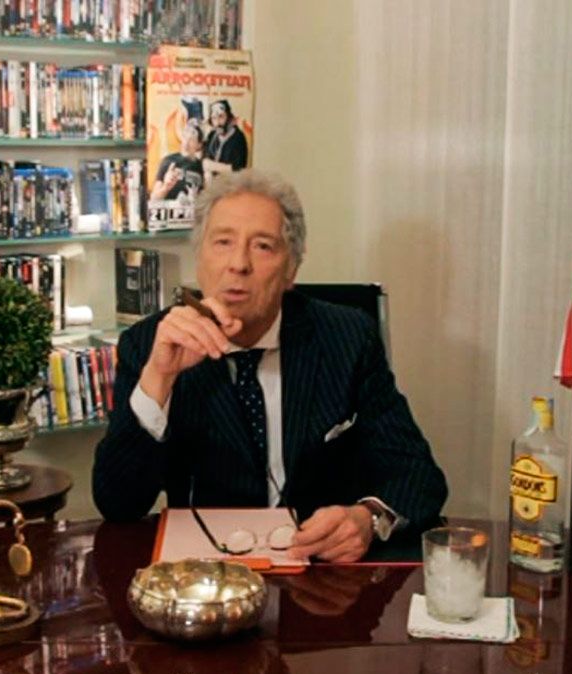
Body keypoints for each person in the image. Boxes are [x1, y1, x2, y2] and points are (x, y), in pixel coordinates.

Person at [92, 169, 447, 563]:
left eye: (262, 246)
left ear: (291, 268)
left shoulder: (346, 338)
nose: (238, 264)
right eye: (223, 242)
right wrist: (160, 378)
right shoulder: (151, 344)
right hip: (206, 574)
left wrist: (368, 517)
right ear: (200, 257)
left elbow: (417, 475)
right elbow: (118, 503)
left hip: (320, 573)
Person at [150, 122, 205, 202]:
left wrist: (197, 198)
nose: (186, 143)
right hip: (170, 209)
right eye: (185, 137)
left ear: (199, 145)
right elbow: (154, 198)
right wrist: (166, 186)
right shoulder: (168, 161)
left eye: (191, 139)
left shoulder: (202, 167)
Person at [203, 100, 248, 176]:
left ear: (229, 117)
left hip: (230, 182)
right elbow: (205, 159)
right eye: (214, 118)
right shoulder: (212, 135)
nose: (217, 122)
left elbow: (239, 169)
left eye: (221, 116)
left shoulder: (238, 138)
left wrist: (214, 166)